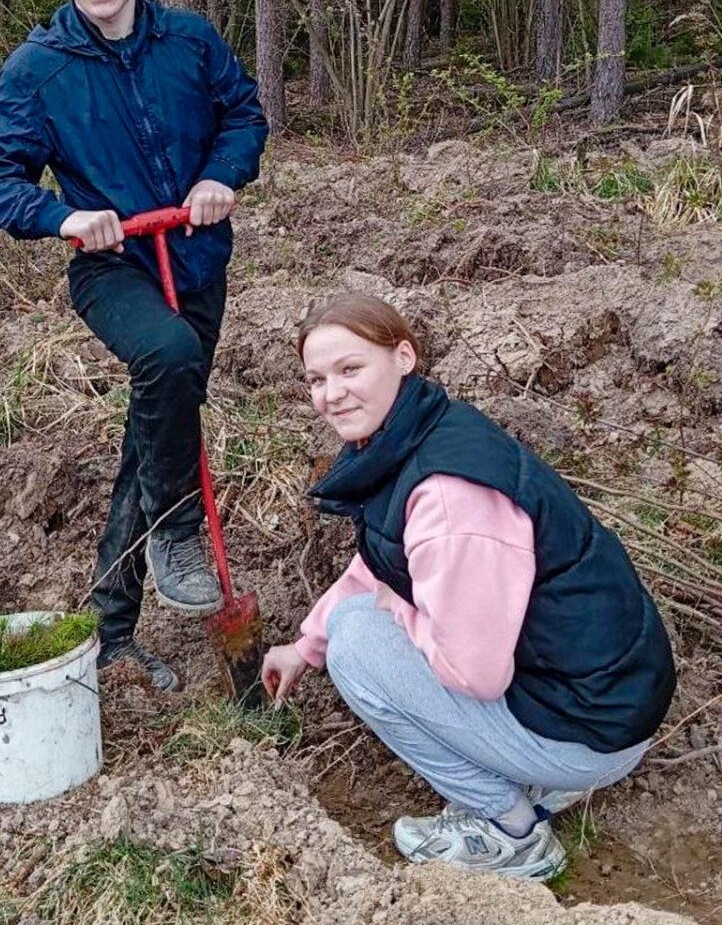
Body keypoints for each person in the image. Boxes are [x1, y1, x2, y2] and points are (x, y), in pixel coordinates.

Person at [0, 0, 268, 691]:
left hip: (196, 260)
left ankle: (111, 628)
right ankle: (176, 530)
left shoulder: (191, 42)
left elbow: (243, 116)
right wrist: (63, 217)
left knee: (153, 435)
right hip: (114, 270)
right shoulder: (40, 70)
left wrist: (219, 177)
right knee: (166, 362)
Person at [262, 293, 676, 881]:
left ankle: (511, 830)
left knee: (358, 643)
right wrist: (306, 646)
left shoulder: (448, 495)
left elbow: (475, 672)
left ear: (403, 356)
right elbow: (383, 561)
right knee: (350, 625)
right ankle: (537, 776)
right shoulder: (420, 433)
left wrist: (394, 610)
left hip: (592, 729)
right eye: (316, 379)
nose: (331, 394)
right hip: (605, 698)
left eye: (350, 369)